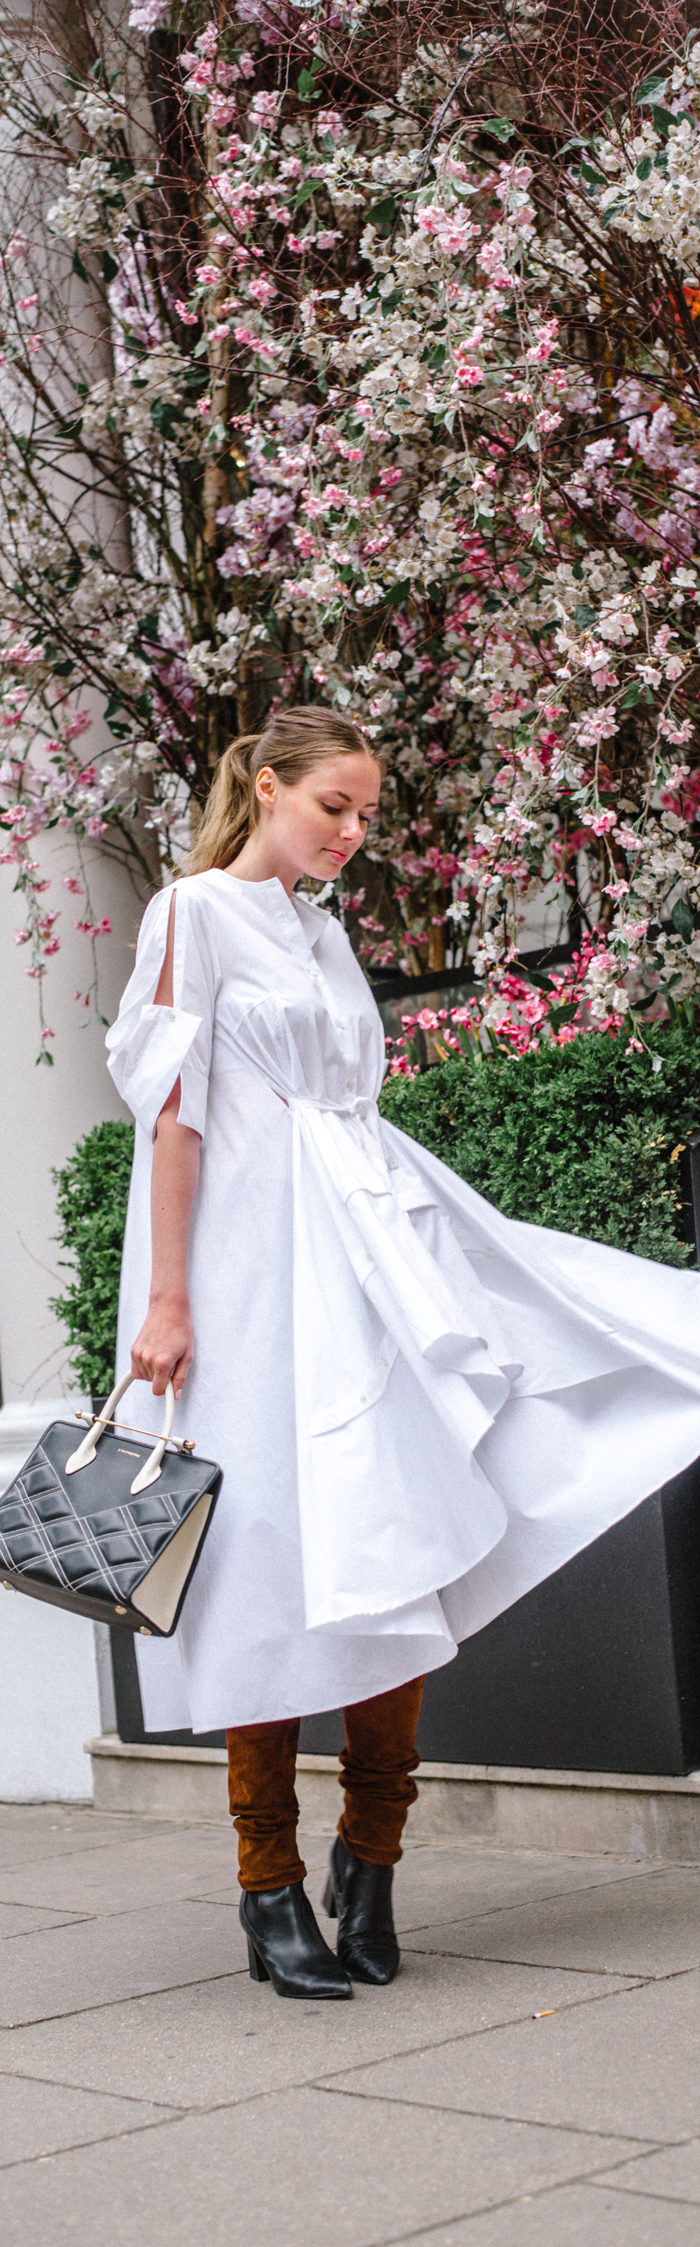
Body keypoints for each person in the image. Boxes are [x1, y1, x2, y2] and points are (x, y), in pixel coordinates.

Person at [107, 704, 700, 2002]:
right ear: (265, 787)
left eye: (367, 814)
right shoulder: (191, 919)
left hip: (367, 1250)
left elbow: (351, 1109)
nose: (353, 834)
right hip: (246, 1273)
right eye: (336, 806)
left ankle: (368, 1863)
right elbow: (176, 1119)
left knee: (406, 1549)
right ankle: (267, 1890)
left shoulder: (320, 931)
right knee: (254, 1567)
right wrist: (165, 1302)